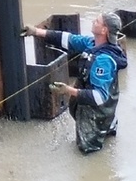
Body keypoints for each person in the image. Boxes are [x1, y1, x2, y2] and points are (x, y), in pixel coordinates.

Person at [21, 12, 127, 154]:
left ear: (104, 30)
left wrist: (68, 90)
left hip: (97, 107)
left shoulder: (103, 60)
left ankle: (101, 129)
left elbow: (99, 97)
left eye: (97, 21)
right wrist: (36, 31)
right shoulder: (91, 43)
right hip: (98, 97)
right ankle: (108, 124)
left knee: (86, 148)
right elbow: (68, 39)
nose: (93, 21)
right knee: (81, 105)